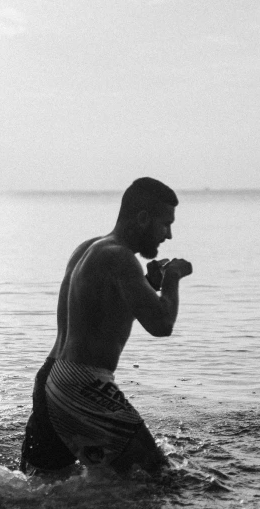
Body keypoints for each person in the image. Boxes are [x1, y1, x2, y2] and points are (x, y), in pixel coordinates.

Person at [20, 177, 193, 476]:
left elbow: (99, 308)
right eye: (165, 224)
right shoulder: (121, 258)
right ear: (142, 218)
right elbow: (161, 324)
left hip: (50, 376)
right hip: (82, 384)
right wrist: (173, 278)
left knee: (46, 485)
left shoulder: (90, 248)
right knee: (156, 475)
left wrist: (148, 285)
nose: (168, 235)